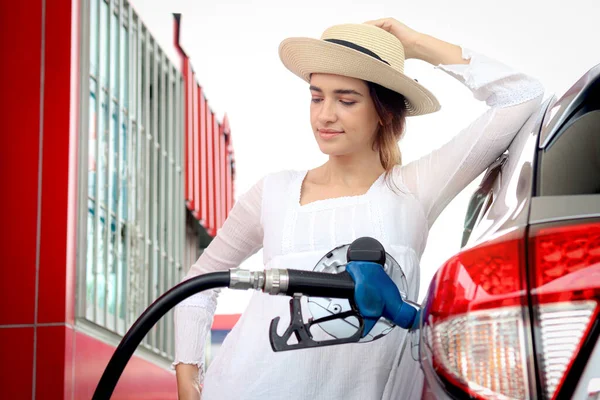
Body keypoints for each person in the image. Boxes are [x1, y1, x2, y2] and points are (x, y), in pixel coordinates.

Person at [173, 18, 544, 400]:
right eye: (317, 97)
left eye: (346, 100)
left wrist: (415, 45)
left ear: (383, 111)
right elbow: (199, 283)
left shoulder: (412, 191)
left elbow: (522, 96)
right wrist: (188, 377)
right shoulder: (274, 193)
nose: (325, 115)